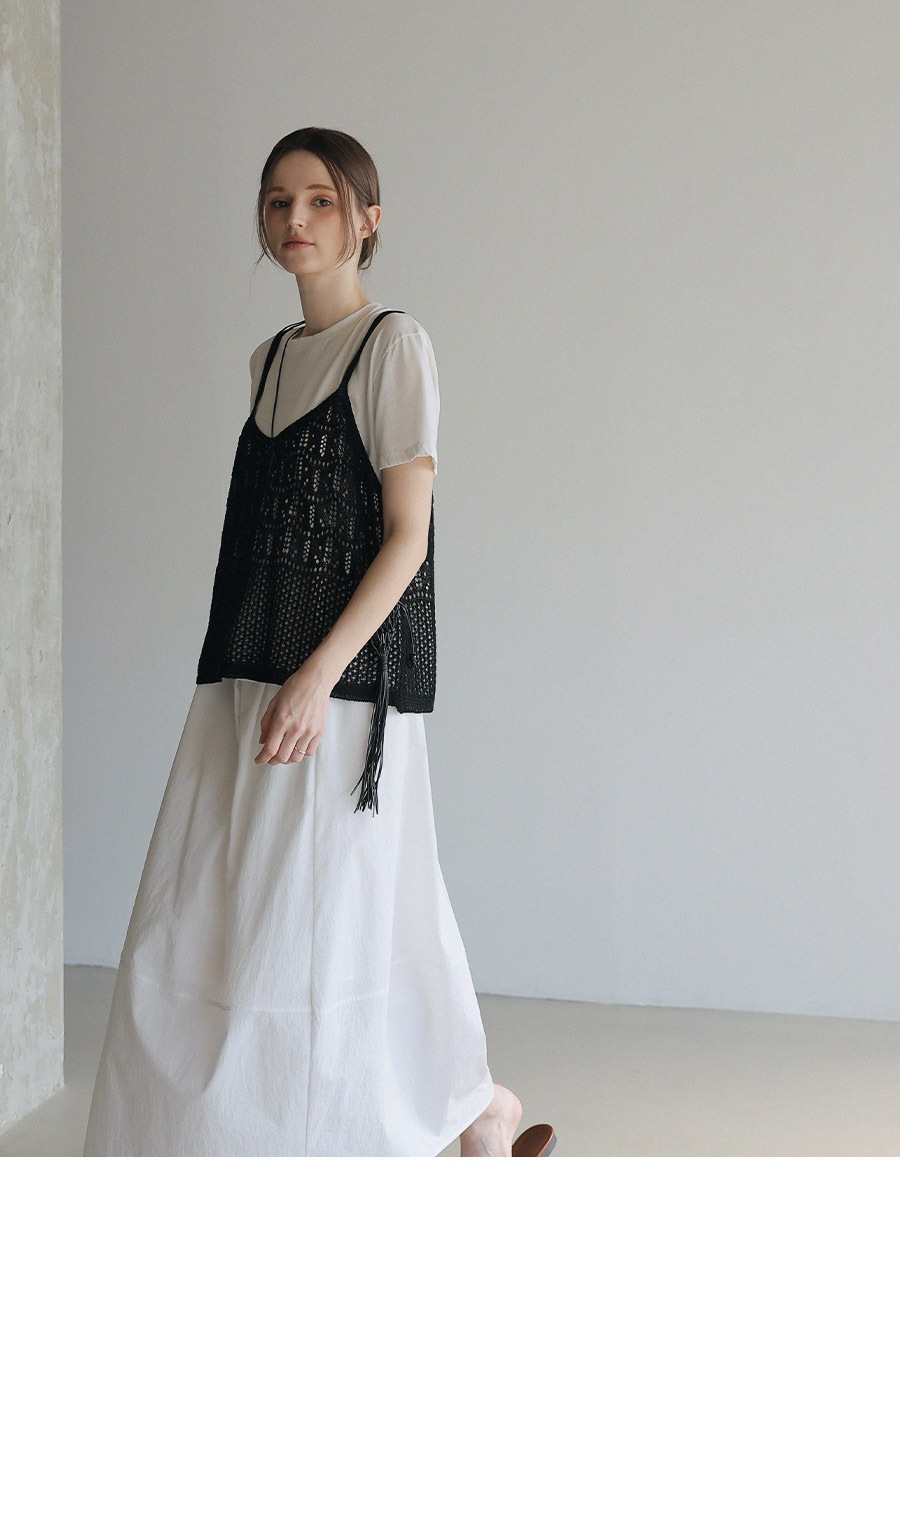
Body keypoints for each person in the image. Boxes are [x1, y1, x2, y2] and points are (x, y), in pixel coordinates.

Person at [82, 126, 557, 1158]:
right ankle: (476, 1105)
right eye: (277, 202)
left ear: (367, 221)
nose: (294, 220)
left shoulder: (393, 346)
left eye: (321, 201)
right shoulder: (267, 362)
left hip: (339, 695)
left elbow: (407, 538)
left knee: (325, 928)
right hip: (244, 680)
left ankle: (441, 1112)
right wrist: (261, 681)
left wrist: (317, 674)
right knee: (215, 918)